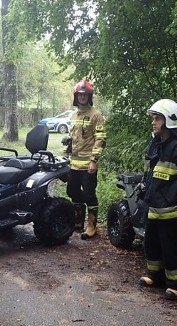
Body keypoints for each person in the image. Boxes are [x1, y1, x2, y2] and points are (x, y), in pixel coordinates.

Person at [137, 99, 177, 300]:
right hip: (153, 206)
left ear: (170, 120)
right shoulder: (155, 144)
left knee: (173, 247)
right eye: (153, 118)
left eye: (158, 118)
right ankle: (155, 275)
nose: (153, 122)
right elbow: (150, 173)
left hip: (172, 209)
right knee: (151, 244)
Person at [66, 80, 107, 240]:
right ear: (76, 96)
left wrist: (94, 160)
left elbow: (100, 138)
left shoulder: (96, 115)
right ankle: (78, 221)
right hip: (74, 164)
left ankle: (91, 225)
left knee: (89, 194)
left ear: (89, 96)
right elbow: (72, 139)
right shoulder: (74, 115)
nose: (82, 97)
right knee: (72, 192)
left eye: (85, 95)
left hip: (88, 164)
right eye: (80, 94)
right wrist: (66, 155)